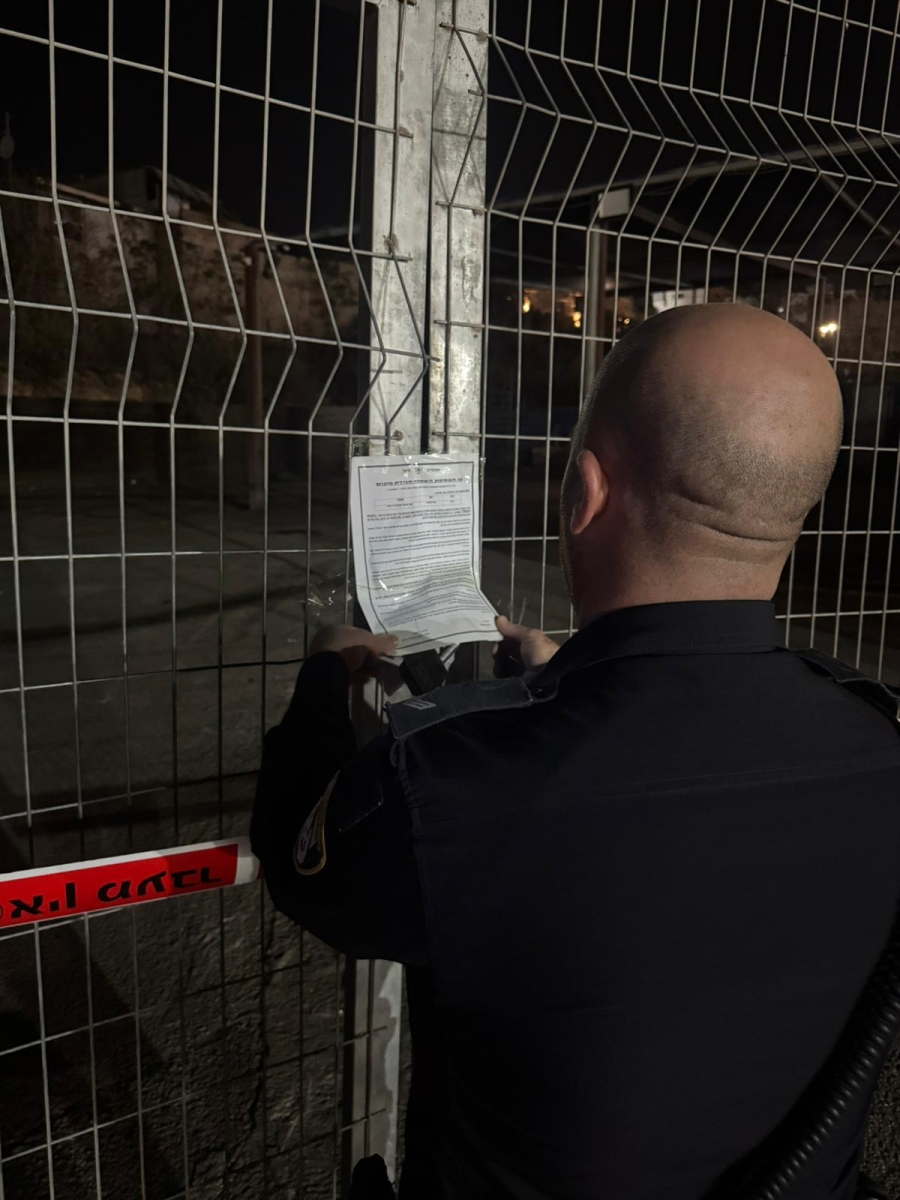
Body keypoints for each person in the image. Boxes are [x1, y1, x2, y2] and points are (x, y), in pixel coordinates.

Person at [250, 303, 900, 1200]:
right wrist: (568, 689)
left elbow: (302, 866)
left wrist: (326, 678)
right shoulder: (879, 741)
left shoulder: (454, 782)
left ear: (583, 493)